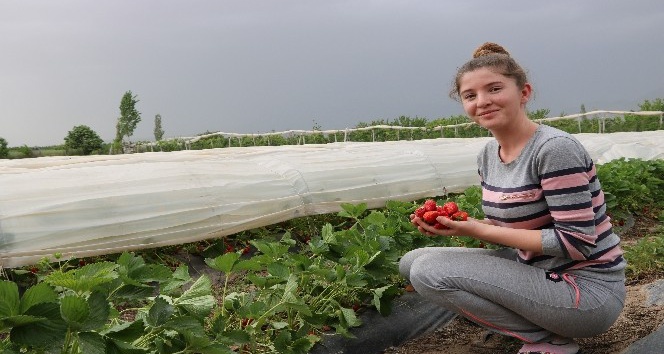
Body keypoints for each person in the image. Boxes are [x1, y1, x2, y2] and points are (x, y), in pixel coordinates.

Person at [399, 42, 626, 354]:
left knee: (428, 272)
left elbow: (578, 242)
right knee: (411, 262)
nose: (483, 102)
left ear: (524, 92)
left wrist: (478, 230)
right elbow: (510, 229)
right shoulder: (488, 155)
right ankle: (537, 326)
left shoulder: (554, 149)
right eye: (470, 95)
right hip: (539, 272)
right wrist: (461, 224)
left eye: (494, 89)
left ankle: (547, 339)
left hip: (586, 289)